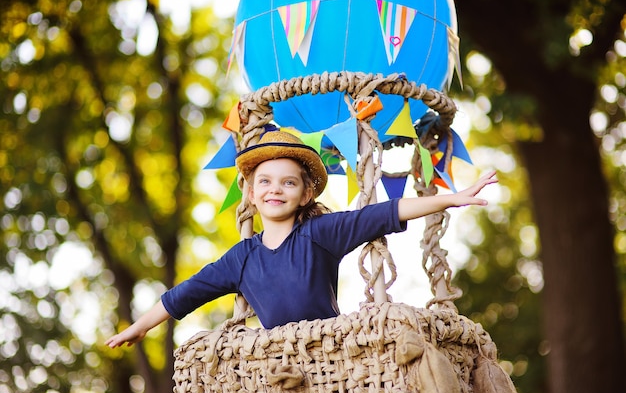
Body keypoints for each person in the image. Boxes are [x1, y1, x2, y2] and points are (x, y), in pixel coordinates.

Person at [105, 131, 497, 348]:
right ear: (252, 193)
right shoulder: (241, 258)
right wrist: (138, 328)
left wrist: (451, 197)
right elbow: (184, 295)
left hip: (331, 349)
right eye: (266, 182)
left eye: (288, 182)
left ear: (305, 194)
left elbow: (384, 214)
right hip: (279, 356)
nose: (276, 190)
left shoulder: (320, 233)